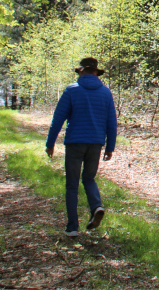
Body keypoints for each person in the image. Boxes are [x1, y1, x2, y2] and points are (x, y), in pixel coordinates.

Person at [45, 57, 118, 237]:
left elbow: (58, 119)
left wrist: (50, 143)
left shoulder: (71, 91)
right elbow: (112, 122)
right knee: (89, 179)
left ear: (82, 71)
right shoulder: (105, 93)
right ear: (96, 72)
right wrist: (110, 147)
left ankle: (72, 227)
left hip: (75, 143)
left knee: (72, 184)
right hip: (95, 144)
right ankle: (96, 206)